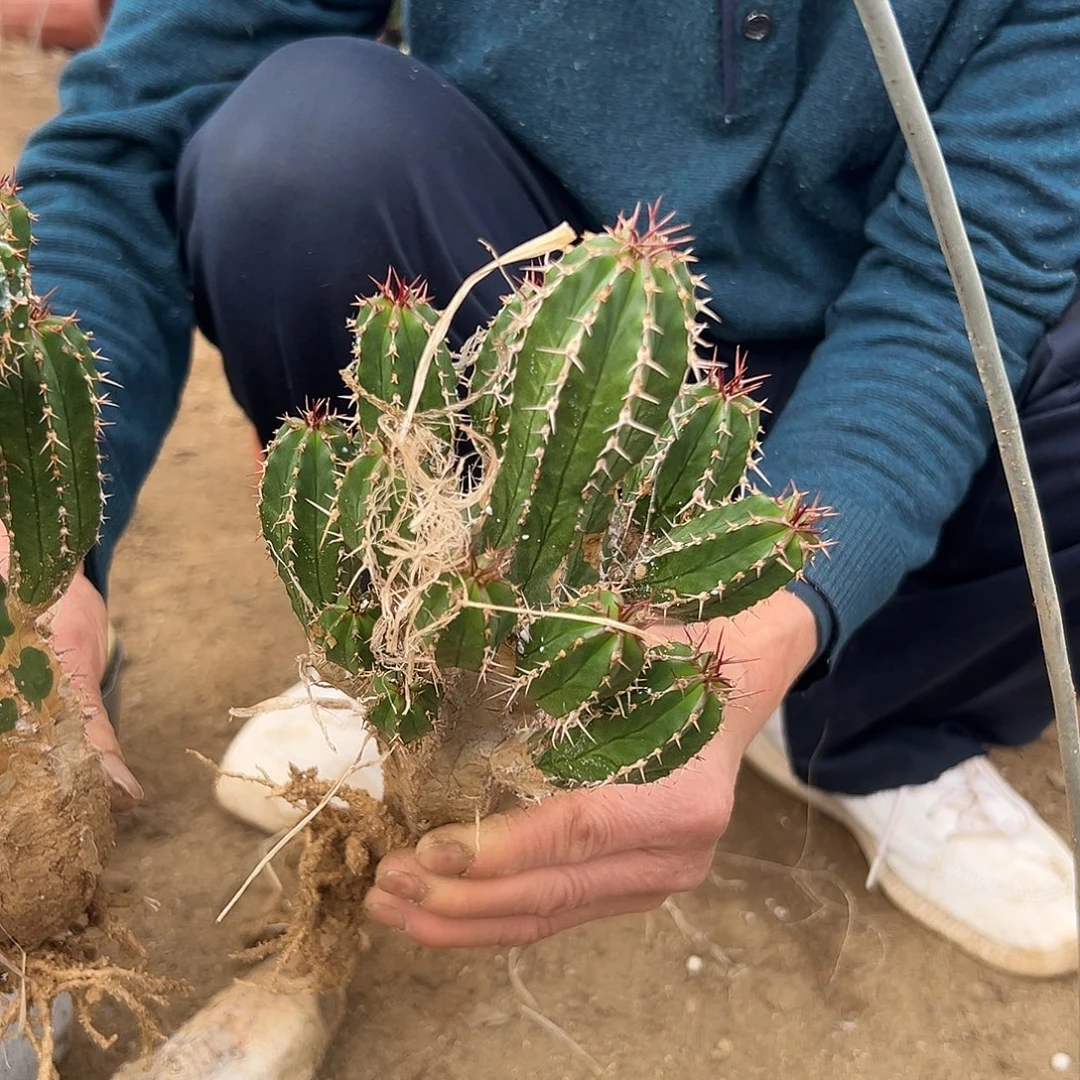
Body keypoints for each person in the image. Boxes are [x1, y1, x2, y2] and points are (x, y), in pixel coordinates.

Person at [8, 0, 1080, 988]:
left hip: (842, 364)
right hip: (522, 316)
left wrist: (749, 634)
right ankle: (417, 672)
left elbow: (960, 290)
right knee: (299, 148)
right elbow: (133, 140)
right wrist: (30, 530)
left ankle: (870, 724)